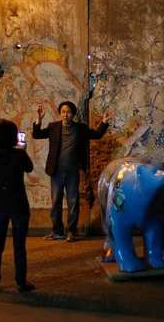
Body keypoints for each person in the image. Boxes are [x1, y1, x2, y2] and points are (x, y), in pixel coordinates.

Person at [33, 101, 111, 242]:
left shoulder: (80, 129)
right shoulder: (53, 127)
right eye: (63, 111)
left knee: (73, 201)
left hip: (72, 171)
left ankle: (71, 231)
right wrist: (39, 119)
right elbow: (37, 134)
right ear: (60, 113)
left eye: (68, 112)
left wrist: (104, 122)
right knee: (56, 201)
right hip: (56, 170)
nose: (65, 114)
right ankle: (57, 231)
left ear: (73, 114)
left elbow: (97, 135)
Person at [0, 119, 35, 293]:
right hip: (18, 203)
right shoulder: (19, 154)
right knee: (19, 245)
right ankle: (21, 282)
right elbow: (30, 168)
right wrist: (23, 149)